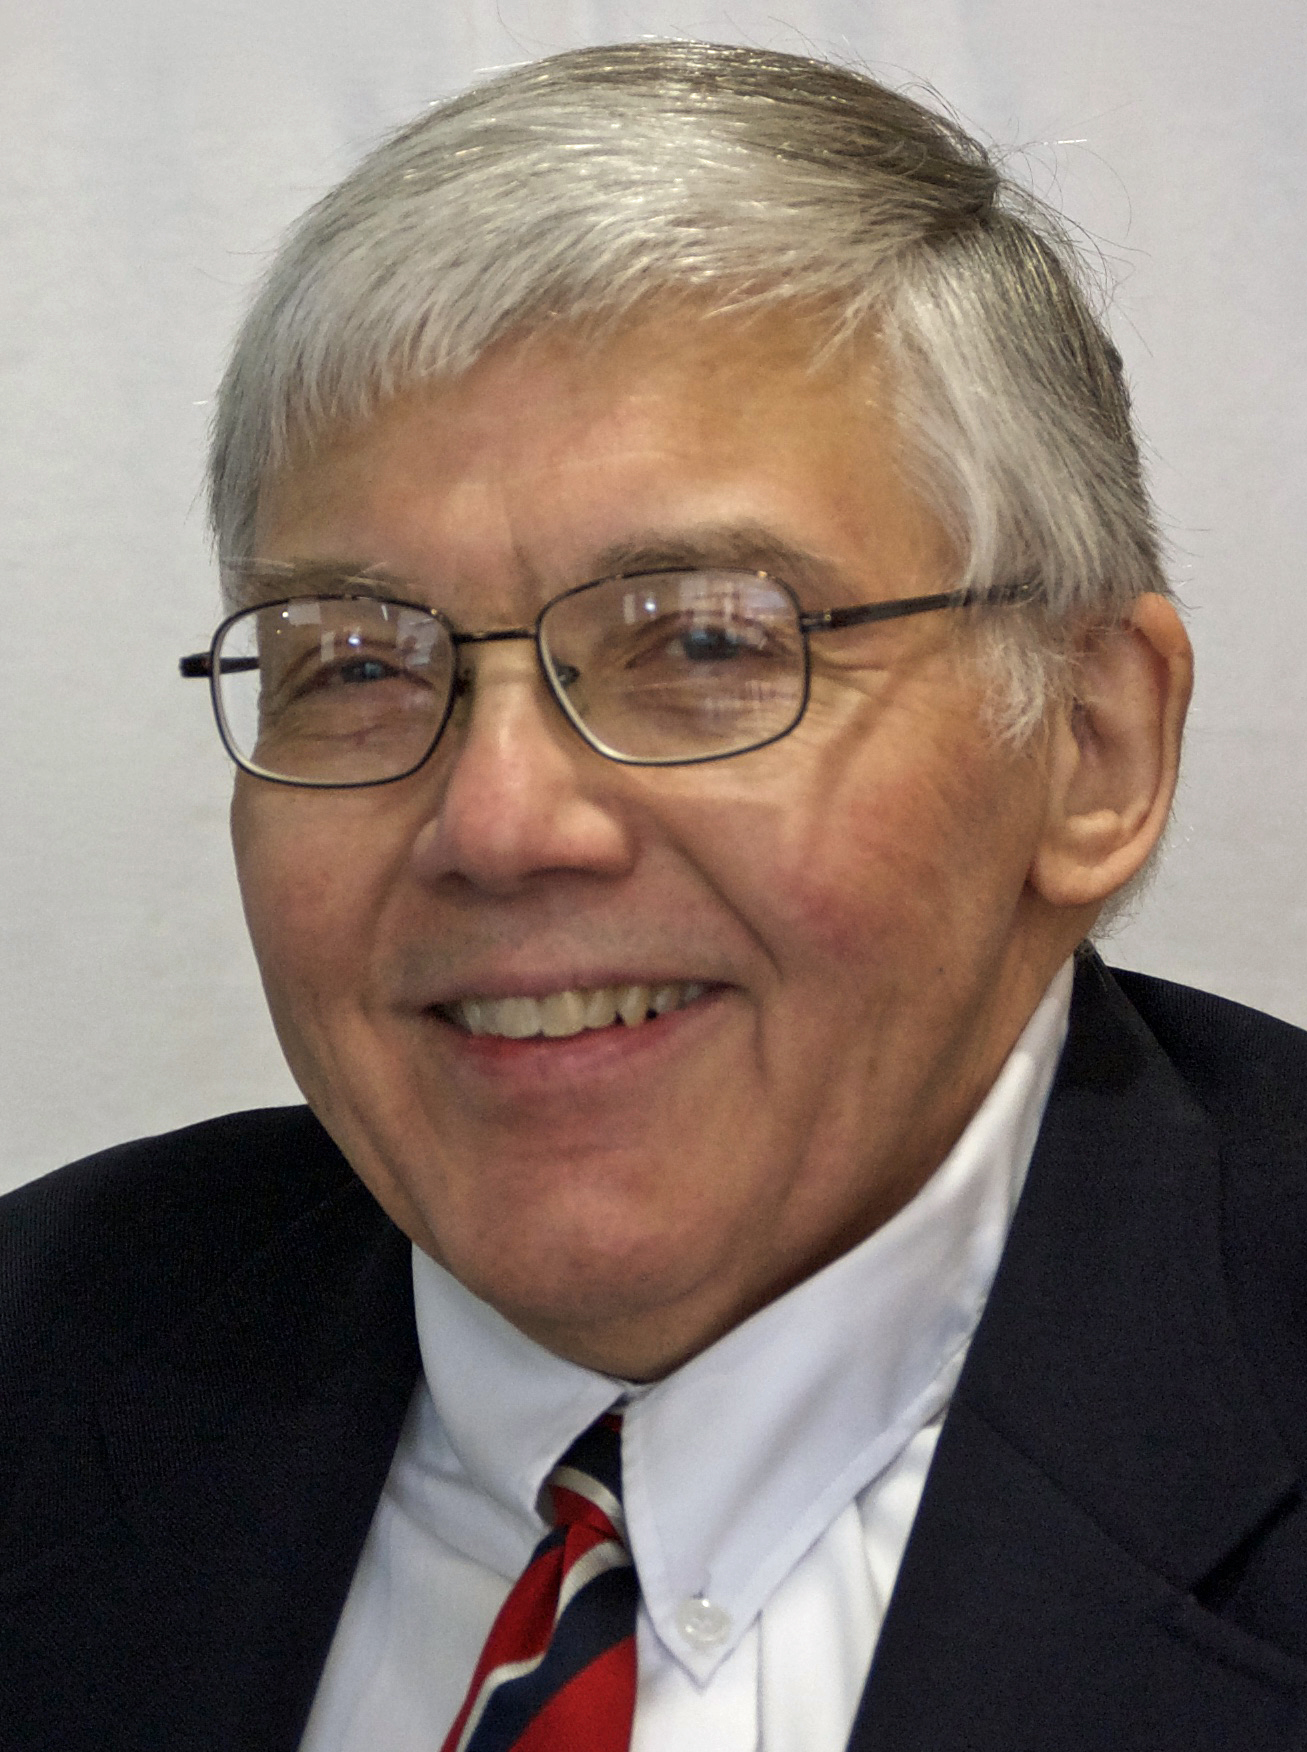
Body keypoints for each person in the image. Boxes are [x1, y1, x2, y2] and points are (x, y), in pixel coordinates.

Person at [3, 39, 1306, 1752]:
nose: (497, 821)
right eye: (360, 664)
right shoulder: (44, 1362)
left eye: (703, 642)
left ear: (1091, 746)